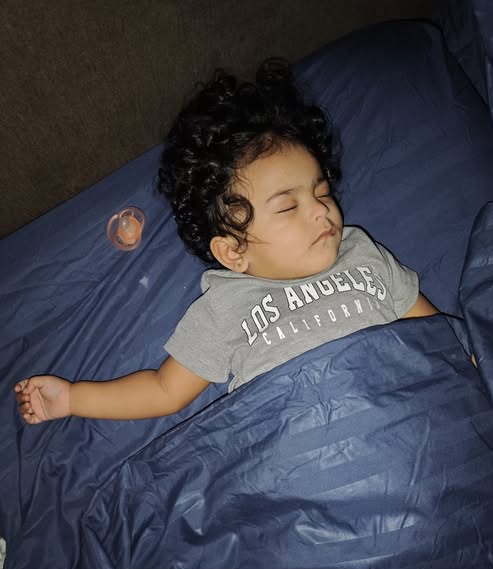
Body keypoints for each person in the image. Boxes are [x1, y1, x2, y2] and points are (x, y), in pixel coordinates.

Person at [14, 59, 438, 425]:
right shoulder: (226, 306)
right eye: (288, 207)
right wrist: (73, 399)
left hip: (409, 414)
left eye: (322, 192)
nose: (320, 211)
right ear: (234, 251)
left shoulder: (361, 254)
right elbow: (164, 389)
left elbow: (437, 334)